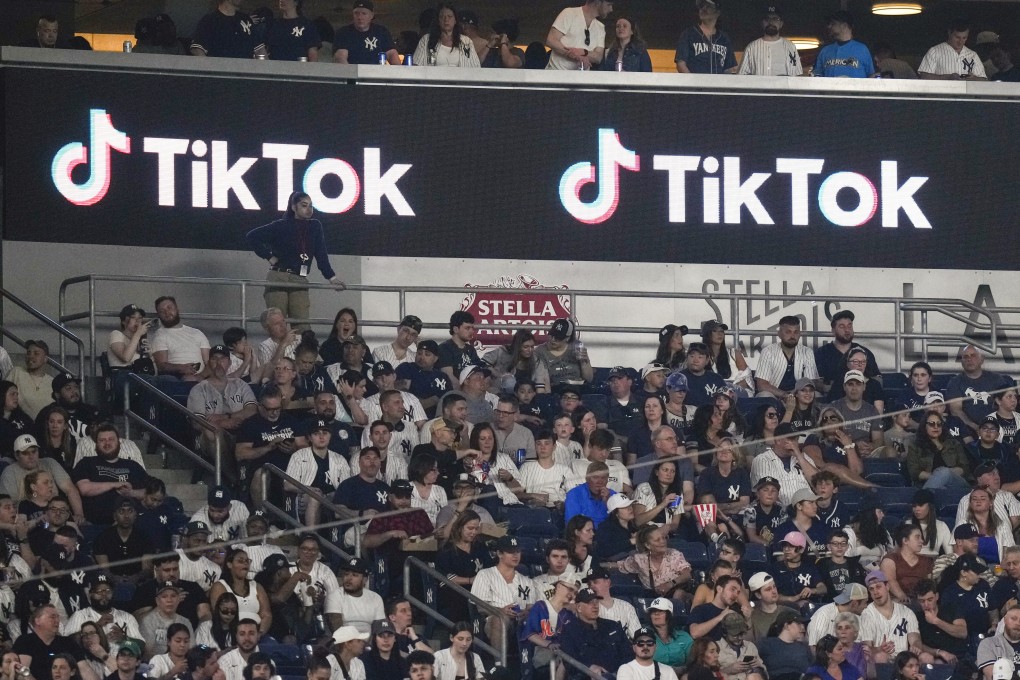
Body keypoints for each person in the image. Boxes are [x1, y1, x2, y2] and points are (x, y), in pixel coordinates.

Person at [245, 191, 346, 326]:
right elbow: (252, 236)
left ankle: (301, 347)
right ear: (293, 207)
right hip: (278, 275)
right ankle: (279, 347)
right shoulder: (281, 225)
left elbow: (321, 254)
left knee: (302, 324)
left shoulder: (315, 226)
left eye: (311, 206)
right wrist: (268, 256)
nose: (309, 209)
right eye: (304, 205)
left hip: (300, 277)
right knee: (277, 323)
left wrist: (332, 278)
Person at [559, 586, 632, 680]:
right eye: (590, 602)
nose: (595, 606)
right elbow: (569, 661)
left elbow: (628, 653)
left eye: (596, 601)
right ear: (579, 607)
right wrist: (589, 667)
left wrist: (622, 672)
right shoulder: (570, 630)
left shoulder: (613, 625)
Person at [945, 345, 1012, 436]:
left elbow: (1008, 404)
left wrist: (993, 428)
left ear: (982, 359)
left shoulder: (996, 379)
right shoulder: (955, 382)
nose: (969, 359)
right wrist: (975, 427)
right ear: (961, 362)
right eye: (966, 357)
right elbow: (956, 411)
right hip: (967, 431)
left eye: (973, 356)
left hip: (997, 429)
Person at [859, 571, 921, 661]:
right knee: (881, 656)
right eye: (871, 589)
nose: (875, 592)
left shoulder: (906, 612)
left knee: (926, 657)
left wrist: (915, 646)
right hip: (879, 661)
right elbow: (866, 648)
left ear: (887, 586)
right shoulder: (867, 614)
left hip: (903, 661)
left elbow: (915, 639)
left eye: (878, 587)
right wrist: (879, 649)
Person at [209, 549, 272, 636]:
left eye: (247, 561)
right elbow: (220, 615)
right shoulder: (220, 586)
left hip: (258, 634)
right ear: (229, 564)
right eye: (240, 561)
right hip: (231, 634)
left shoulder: (256, 586)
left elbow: (266, 615)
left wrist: (259, 634)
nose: (245, 563)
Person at [754, 317, 819, 400]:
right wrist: (784, 395)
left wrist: (795, 393)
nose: (792, 336)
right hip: (775, 395)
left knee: (817, 395)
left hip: (799, 395)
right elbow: (762, 385)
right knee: (764, 395)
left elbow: (811, 382)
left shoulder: (807, 352)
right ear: (779, 334)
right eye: (788, 332)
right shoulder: (768, 351)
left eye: (796, 332)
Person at [907, 412, 972, 491]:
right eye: (931, 424)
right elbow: (914, 472)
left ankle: (923, 500)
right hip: (928, 483)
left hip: (956, 483)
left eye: (939, 424)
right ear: (924, 426)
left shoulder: (954, 443)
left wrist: (945, 473)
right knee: (941, 486)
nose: (936, 427)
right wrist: (937, 477)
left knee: (943, 472)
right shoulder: (915, 446)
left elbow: (965, 468)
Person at [675, 0, 737, 74]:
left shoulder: (724, 38)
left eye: (708, 6)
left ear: (718, 12)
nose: (703, 9)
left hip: (719, 84)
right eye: (701, 6)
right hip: (695, 83)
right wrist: (692, 83)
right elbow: (681, 64)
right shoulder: (688, 34)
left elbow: (729, 68)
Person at [325, 557, 385, 634]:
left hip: (369, 643)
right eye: (346, 574)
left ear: (365, 580)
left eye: (354, 575)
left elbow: (379, 629)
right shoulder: (335, 596)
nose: (349, 578)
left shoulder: (375, 598)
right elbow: (338, 632)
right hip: (344, 643)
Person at [738, 6, 802, 76]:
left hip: (785, 86)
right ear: (762, 23)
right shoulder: (751, 47)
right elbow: (741, 77)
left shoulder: (790, 46)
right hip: (760, 86)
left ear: (781, 24)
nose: (771, 22)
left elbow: (798, 74)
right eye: (767, 19)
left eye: (775, 19)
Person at [333, 0, 399, 64]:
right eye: (356, 13)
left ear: (372, 15)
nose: (360, 17)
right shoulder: (343, 33)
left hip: (377, 73)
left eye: (364, 13)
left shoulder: (381, 32)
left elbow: (392, 54)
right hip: (352, 73)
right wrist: (350, 73)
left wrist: (400, 73)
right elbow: (340, 58)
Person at [880, 524, 934, 603]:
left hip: (922, 602)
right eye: (917, 537)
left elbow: (930, 585)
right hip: (898, 603)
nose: (922, 541)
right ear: (905, 541)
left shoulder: (927, 561)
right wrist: (903, 597)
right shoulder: (890, 560)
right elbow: (890, 580)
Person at [413, 4, 479, 67]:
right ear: (438, 21)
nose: (446, 20)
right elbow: (416, 65)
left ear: (455, 20)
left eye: (449, 16)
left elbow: (475, 66)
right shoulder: (426, 40)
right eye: (442, 17)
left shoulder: (466, 41)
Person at [919, 20, 988, 80]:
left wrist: (974, 79)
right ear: (949, 33)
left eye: (964, 38)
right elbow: (924, 76)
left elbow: (984, 79)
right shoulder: (934, 51)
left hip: (966, 94)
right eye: (957, 37)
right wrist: (947, 77)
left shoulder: (973, 55)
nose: (960, 42)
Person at [757, 610, 812, 680]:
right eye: (798, 623)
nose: (803, 628)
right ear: (786, 626)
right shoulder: (765, 644)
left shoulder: (804, 647)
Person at [9, 340, 55, 419]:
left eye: (36, 353)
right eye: (28, 353)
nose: (31, 356)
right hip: (19, 424)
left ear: (45, 359)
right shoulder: (17, 372)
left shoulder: (53, 382)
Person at [905, 489, 952, 557]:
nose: (916, 509)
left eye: (920, 505)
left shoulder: (941, 526)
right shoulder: (907, 525)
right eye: (914, 506)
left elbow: (950, 553)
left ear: (930, 506)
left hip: (934, 563)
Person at [977, 605, 1020, 678]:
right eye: (1013, 619)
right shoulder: (988, 644)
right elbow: (993, 676)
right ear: (1005, 620)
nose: (1018, 623)